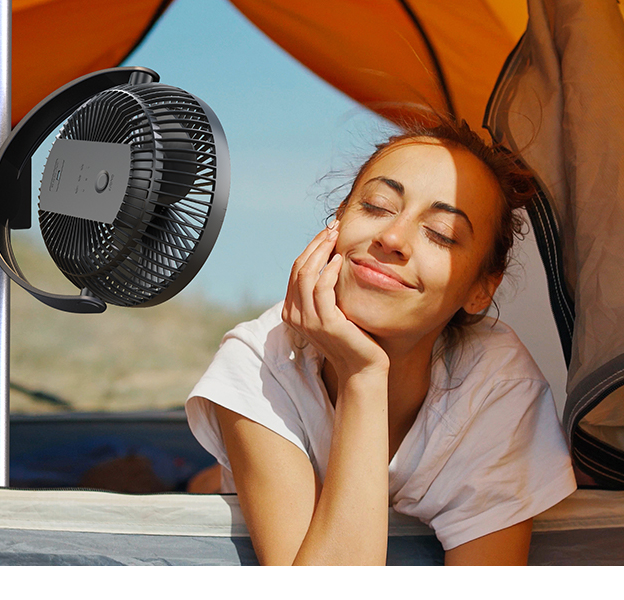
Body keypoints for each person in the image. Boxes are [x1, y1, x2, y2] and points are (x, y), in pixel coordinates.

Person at [183, 118, 576, 565]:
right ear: (336, 222)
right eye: (375, 206)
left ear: (481, 289)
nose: (391, 239)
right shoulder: (260, 359)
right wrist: (363, 377)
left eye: (441, 233)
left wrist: (361, 375)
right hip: (238, 471)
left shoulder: (497, 385)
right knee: (202, 485)